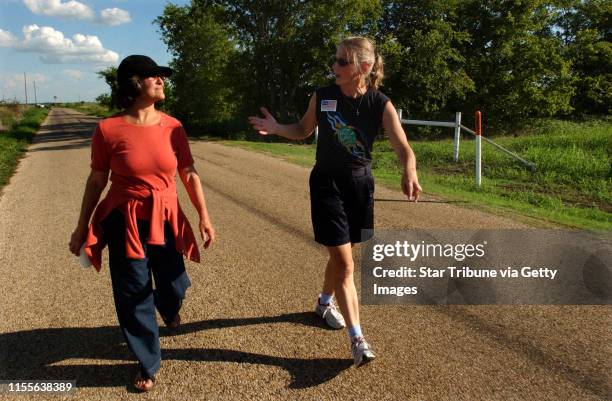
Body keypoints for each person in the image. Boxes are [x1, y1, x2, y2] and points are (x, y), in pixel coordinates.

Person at [248, 36, 421, 366]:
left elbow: (403, 147)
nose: (334, 66)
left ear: (364, 68)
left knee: (345, 255)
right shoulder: (322, 96)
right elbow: (301, 129)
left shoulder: (379, 103)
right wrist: (276, 128)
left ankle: (324, 302)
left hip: (360, 186)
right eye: (335, 60)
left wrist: (409, 170)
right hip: (326, 184)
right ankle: (357, 339)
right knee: (345, 264)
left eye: (343, 62)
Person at [68, 55, 215, 391]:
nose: (162, 81)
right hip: (125, 220)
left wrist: (203, 216)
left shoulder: (173, 127)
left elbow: (188, 173)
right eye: (154, 76)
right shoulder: (107, 129)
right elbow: (96, 180)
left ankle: (168, 305)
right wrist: (82, 227)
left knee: (174, 283)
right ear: (135, 83)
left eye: (162, 76)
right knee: (133, 293)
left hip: (165, 218)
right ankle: (147, 362)